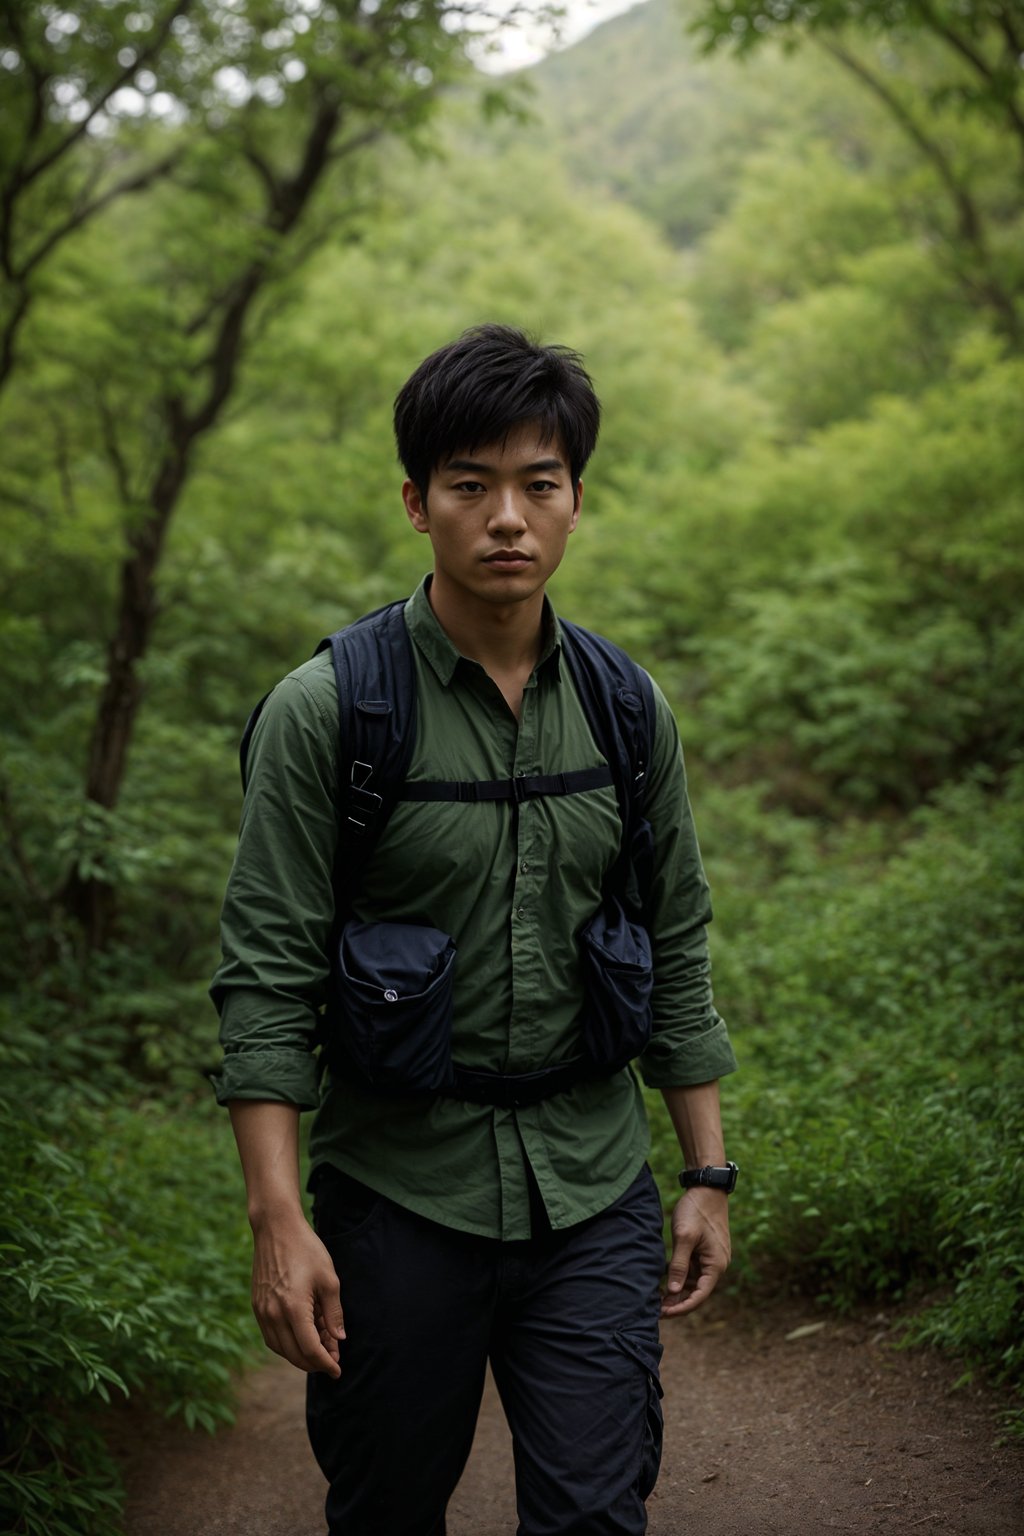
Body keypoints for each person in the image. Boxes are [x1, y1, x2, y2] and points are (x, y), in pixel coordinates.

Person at [211, 323, 737, 1536]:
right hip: (396, 1196)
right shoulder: (330, 712)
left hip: (591, 1190)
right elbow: (267, 979)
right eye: (469, 486)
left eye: (536, 486)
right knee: (388, 1507)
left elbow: (679, 938)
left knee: (595, 1516)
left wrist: (705, 1173)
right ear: (416, 504)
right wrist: (277, 1219)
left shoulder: (624, 707)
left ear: (574, 502)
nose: (507, 517)